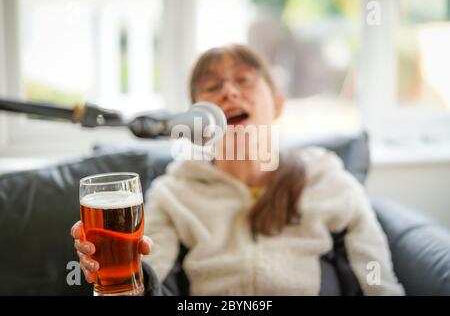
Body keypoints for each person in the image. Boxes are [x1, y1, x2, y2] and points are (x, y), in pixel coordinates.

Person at [71, 44, 404, 295]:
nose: (229, 91)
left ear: (277, 105)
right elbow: (146, 282)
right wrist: (119, 272)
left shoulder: (327, 180)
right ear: (196, 120)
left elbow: (380, 284)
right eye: (212, 88)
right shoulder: (173, 194)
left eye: (244, 80)